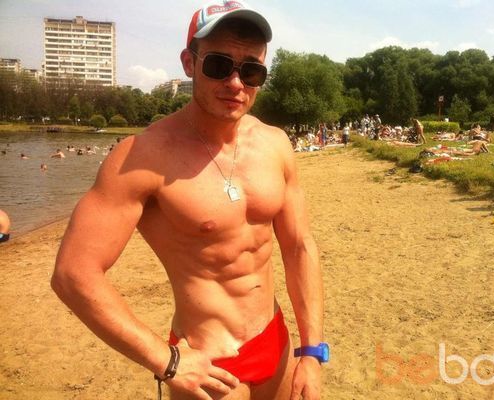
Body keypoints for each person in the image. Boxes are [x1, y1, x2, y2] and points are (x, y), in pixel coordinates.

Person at [51, 2, 326, 400]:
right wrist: (166, 361)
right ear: (188, 63)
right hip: (209, 363)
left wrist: (312, 351)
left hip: (275, 340)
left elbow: (299, 245)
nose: (236, 83)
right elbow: (73, 273)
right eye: (219, 65)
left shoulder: (275, 144)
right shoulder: (142, 157)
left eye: (251, 70)